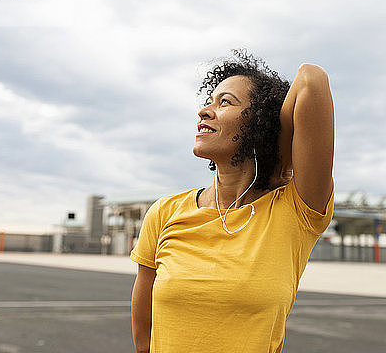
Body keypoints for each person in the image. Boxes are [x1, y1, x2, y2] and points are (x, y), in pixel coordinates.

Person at [130, 49, 335, 353]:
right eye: (208, 101)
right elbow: (143, 328)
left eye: (225, 102)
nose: (204, 111)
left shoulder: (294, 210)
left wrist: (277, 156)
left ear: (259, 122)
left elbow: (311, 79)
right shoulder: (165, 212)